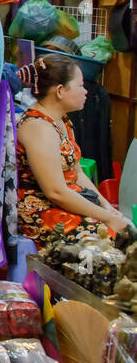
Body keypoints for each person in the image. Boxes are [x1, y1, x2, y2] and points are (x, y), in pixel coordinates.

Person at [16, 56, 134, 246]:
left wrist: (106, 206)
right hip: (42, 209)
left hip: (67, 200)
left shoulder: (61, 120)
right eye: (80, 86)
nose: (85, 92)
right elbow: (55, 192)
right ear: (61, 91)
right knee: (108, 239)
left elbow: (77, 172)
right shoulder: (38, 127)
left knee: (122, 232)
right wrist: (107, 218)